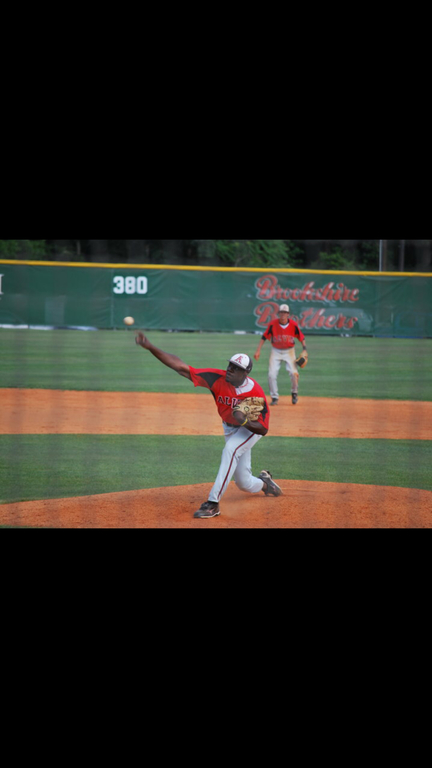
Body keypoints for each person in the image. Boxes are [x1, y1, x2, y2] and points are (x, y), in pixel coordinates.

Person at [135, 332, 282, 518]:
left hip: (249, 430)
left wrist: (244, 420)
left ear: (245, 373)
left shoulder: (254, 393)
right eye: (230, 365)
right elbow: (180, 367)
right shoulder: (217, 378)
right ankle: (265, 484)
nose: (230, 369)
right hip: (229, 428)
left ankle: (213, 503)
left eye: (236, 368)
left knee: (230, 450)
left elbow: (263, 429)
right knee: (243, 482)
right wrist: (150, 347)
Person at [254, 304, 307, 406]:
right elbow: (264, 337)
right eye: (281, 312)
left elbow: (301, 337)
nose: (283, 314)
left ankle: (294, 393)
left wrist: (305, 349)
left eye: (285, 312)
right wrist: (258, 350)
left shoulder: (293, 325)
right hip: (276, 351)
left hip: (289, 351)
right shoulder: (273, 324)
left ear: (288, 314)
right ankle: (274, 397)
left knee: (294, 373)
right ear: (278, 313)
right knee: (271, 374)